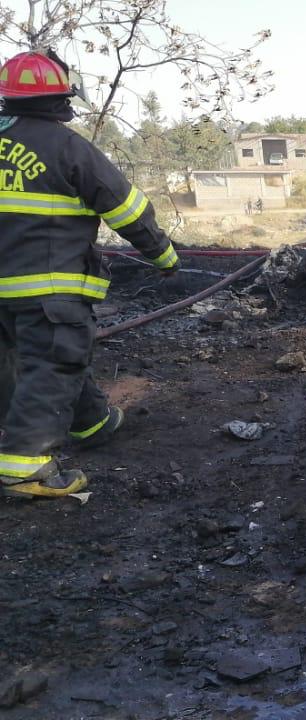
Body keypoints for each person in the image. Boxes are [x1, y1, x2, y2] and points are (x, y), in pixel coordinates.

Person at [0, 51, 179, 498]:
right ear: (62, 96)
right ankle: (24, 468)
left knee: (28, 360)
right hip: (48, 287)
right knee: (53, 363)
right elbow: (126, 208)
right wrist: (164, 257)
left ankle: (93, 423)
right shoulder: (66, 146)